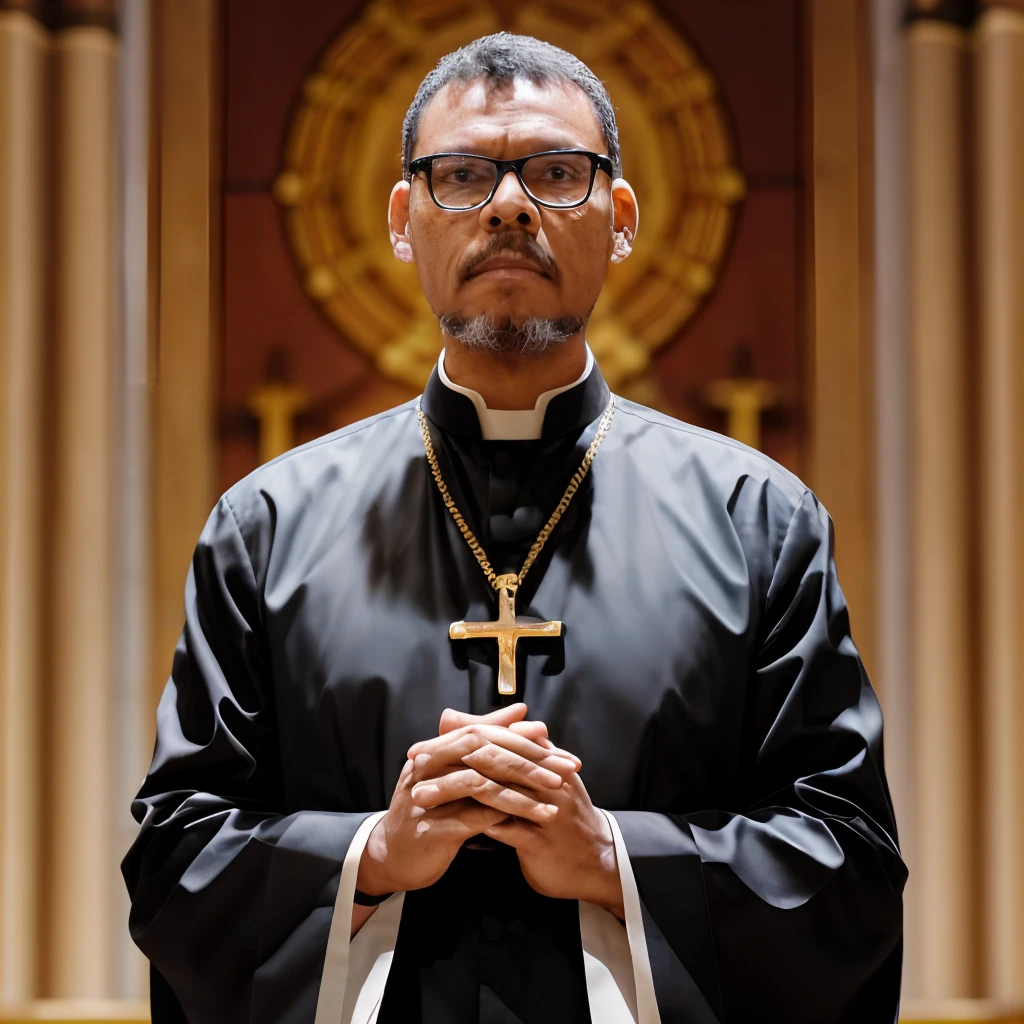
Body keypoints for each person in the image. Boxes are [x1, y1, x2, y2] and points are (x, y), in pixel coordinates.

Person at [123, 32, 906, 1024]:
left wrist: (612, 858)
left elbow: (849, 862)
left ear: (619, 217)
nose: (506, 204)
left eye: (554, 172)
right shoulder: (266, 526)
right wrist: (372, 854)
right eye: (460, 175)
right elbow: (177, 856)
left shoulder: (759, 521)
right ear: (404, 219)